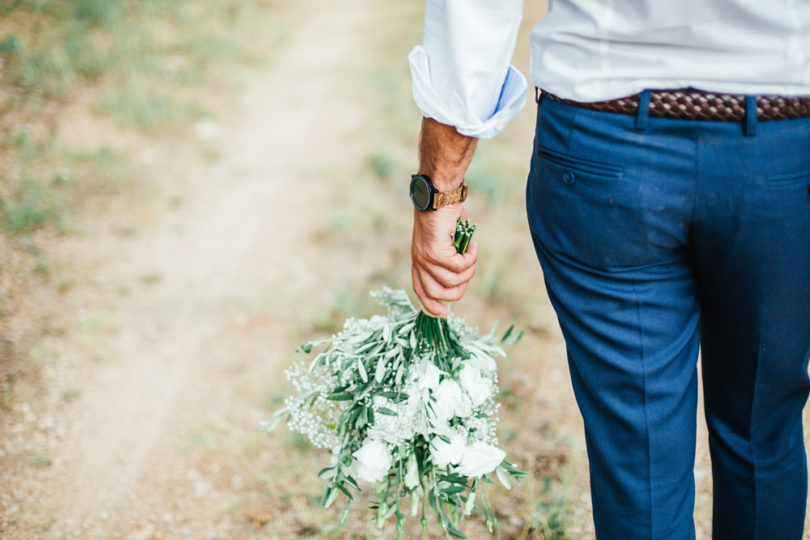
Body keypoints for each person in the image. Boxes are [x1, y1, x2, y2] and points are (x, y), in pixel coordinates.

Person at [406, 1, 810, 538]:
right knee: (763, 434)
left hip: (604, 142)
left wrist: (440, 190)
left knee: (636, 453)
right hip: (783, 145)